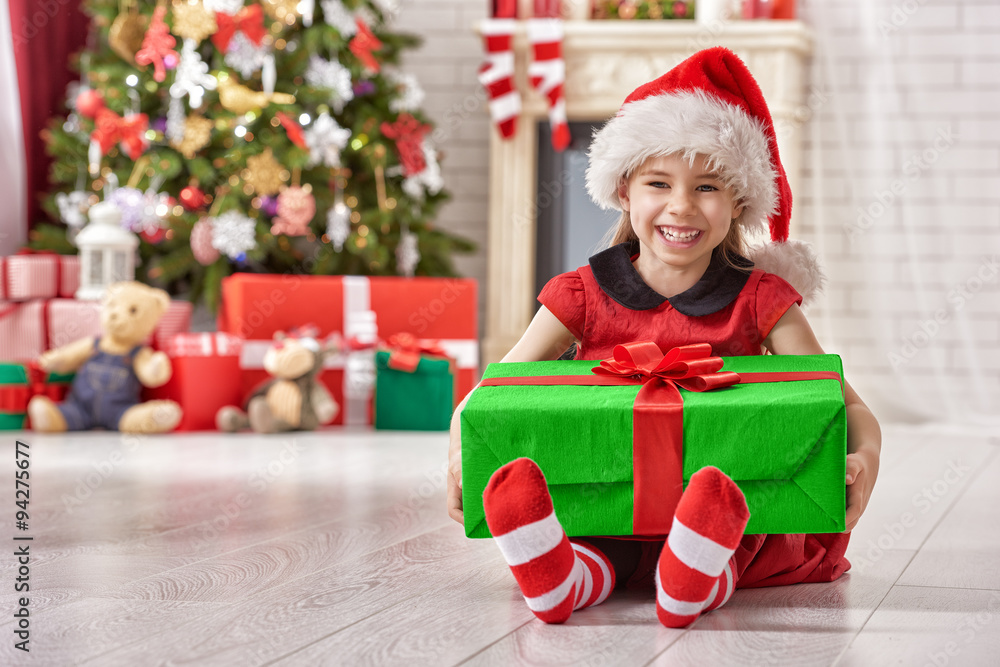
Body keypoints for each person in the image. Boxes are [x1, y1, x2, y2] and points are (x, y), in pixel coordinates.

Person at [447, 47, 881, 628]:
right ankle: (566, 578)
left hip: (729, 505)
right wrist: (458, 456)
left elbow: (841, 403)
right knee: (595, 530)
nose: (681, 206)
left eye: (707, 187)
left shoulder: (763, 300)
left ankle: (696, 575)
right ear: (625, 190)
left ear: (738, 204)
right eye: (659, 182)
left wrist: (864, 457)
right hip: (609, 495)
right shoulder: (581, 294)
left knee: (733, 523)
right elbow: (494, 390)